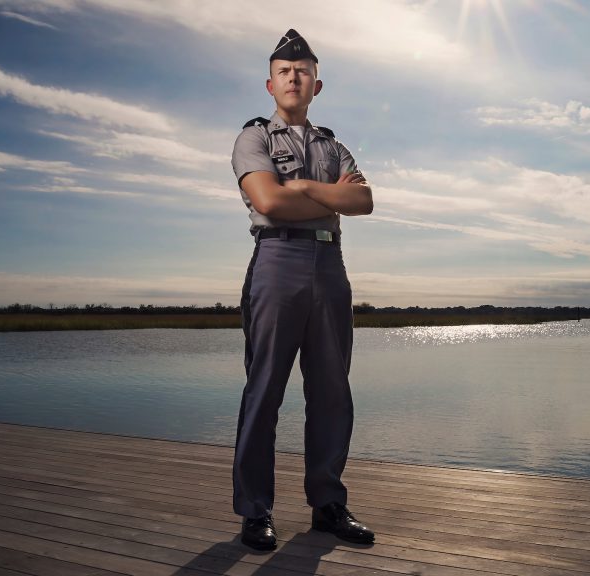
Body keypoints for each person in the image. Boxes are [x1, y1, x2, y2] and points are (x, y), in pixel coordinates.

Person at [230, 28, 375, 551]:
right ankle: (255, 510)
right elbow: (268, 201)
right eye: (284, 71)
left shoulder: (334, 144)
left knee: (333, 390)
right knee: (265, 388)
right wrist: (331, 197)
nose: (294, 77)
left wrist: (308, 189)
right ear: (270, 84)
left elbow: (364, 201)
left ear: (318, 83)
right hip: (278, 260)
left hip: (330, 266)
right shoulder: (254, 139)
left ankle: (328, 504)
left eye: (304, 70)